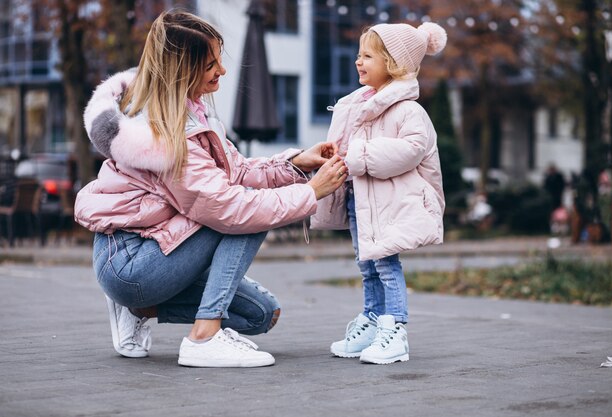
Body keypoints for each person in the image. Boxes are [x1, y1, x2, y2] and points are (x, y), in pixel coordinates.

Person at [74, 11, 347, 368]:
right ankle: (204, 336)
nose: (222, 70)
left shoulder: (193, 113)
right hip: (131, 261)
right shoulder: (162, 138)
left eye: (219, 59)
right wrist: (311, 192)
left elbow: (238, 172)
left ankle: (142, 308)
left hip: (163, 245)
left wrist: (297, 163)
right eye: (210, 64)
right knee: (250, 213)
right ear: (181, 71)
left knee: (261, 315)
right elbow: (232, 208)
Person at [311, 22, 447, 364]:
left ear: (394, 63)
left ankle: (395, 329)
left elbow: (412, 149)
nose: (359, 61)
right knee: (367, 265)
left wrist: (356, 156)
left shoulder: (408, 110)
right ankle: (372, 321)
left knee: (386, 264)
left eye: (368, 55)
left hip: (391, 205)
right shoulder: (358, 105)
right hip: (362, 200)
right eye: (359, 54)